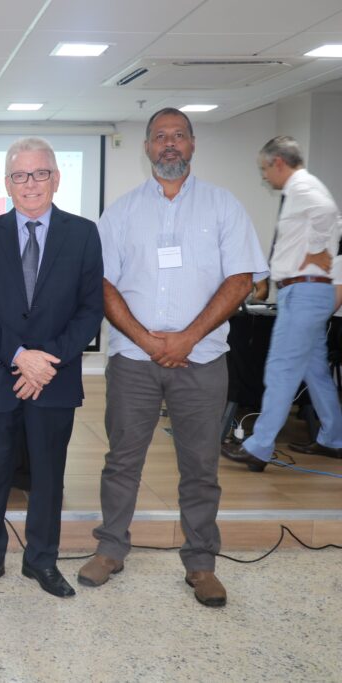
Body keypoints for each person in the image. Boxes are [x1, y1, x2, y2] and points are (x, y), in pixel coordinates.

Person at [79, 108, 267, 607]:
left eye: (178, 136)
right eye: (160, 136)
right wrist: (146, 339)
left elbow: (241, 279)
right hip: (133, 361)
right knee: (121, 461)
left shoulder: (223, 207)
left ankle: (201, 562)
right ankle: (111, 549)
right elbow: (101, 283)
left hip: (201, 358)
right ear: (145, 147)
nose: (169, 145)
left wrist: (186, 337)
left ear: (192, 144)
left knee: (201, 465)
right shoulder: (120, 213)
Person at [0, 138, 104, 597]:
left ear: (56, 179)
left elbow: (90, 308)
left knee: (48, 475)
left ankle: (41, 561)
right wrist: (20, 357)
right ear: (8, 183)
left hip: (55, 380)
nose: (31, 184)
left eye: (40, 173)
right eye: (20, 175)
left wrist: (46, 362)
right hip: (2, 374)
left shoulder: (82, 234)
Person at [222, 136, 342, 470]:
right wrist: (322, 248)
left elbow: (327, 212)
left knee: (281, 368)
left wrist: (320, 248)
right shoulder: (303, 189)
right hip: (306, 291)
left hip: (304, 291)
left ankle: (259, 447)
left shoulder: (304, 188)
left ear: (278, 162)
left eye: (264, 169)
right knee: (314, 371)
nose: (264, 177)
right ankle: (334, 438)